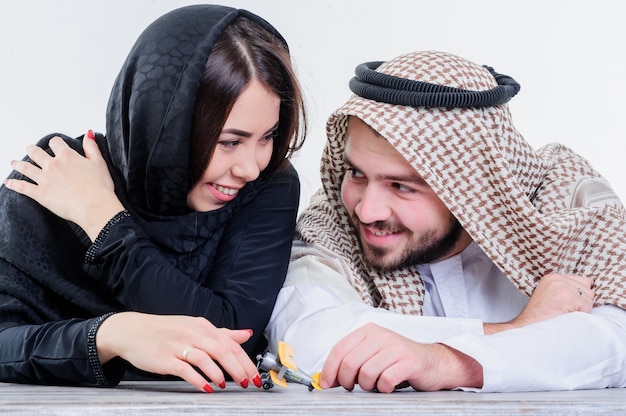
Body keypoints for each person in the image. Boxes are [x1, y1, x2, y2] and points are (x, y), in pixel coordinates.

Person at [265, 50, 626, 393]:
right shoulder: (332, 220)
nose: (366, 210)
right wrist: (515, 331)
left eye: (402, 187)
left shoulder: (565, 201)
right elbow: (307, 337)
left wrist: (447, 361)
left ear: (472, 187)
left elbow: (615, 342)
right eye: (357, 173)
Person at [0, 4, 306, 393]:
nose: (251, 166)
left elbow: (229, 337)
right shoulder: (60, 175)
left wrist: (105, 223)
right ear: (165, 124)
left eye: (267, 137)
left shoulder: (268, 186)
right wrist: (111, 335)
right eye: (230, 141)